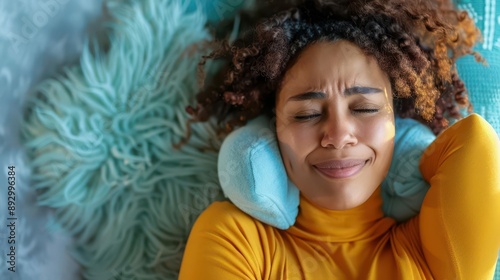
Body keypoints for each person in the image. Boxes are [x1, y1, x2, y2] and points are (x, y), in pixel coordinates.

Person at [178, 0, 500, 278]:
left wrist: (410, 151)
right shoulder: (235, 239)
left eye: (364, 108)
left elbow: (475, 140)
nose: (338, 136)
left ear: (396, 121)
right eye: (305, 114)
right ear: (273, 125)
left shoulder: (435, 249)